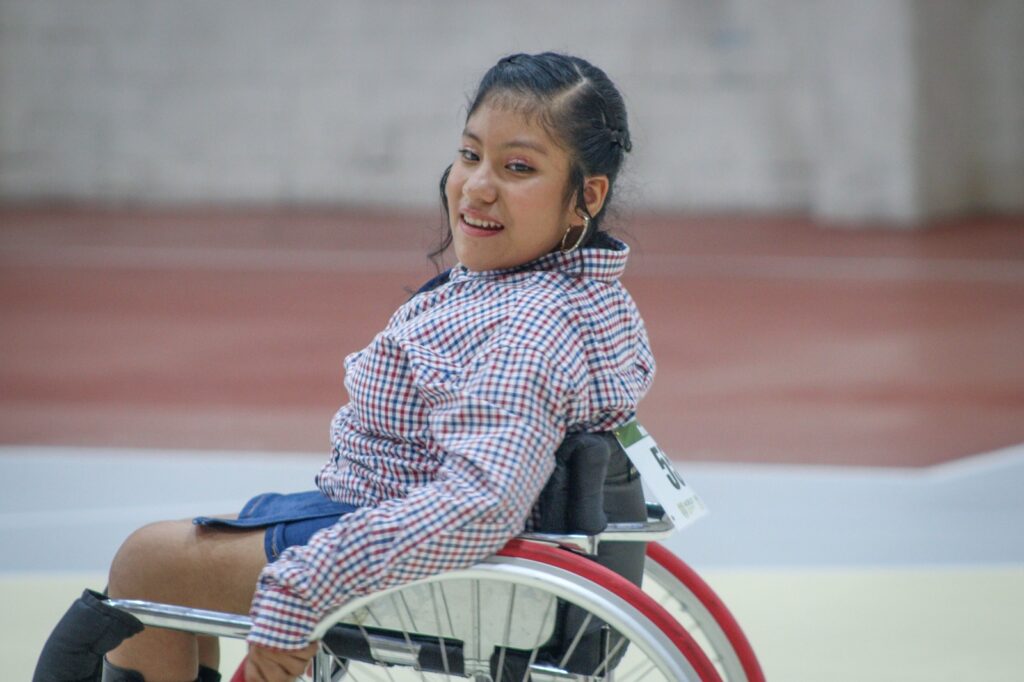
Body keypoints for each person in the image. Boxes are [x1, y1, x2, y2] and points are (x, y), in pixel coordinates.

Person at [34, 51, 654, 682]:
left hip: (440, 563)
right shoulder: (580, 292)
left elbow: (481, 502)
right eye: (470, 155)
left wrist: (308, 583)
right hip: (421, 531)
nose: (476, 187)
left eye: (518, 167)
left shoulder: (529, 325)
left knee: (149, 565)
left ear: (585, 197)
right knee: (179, 568)